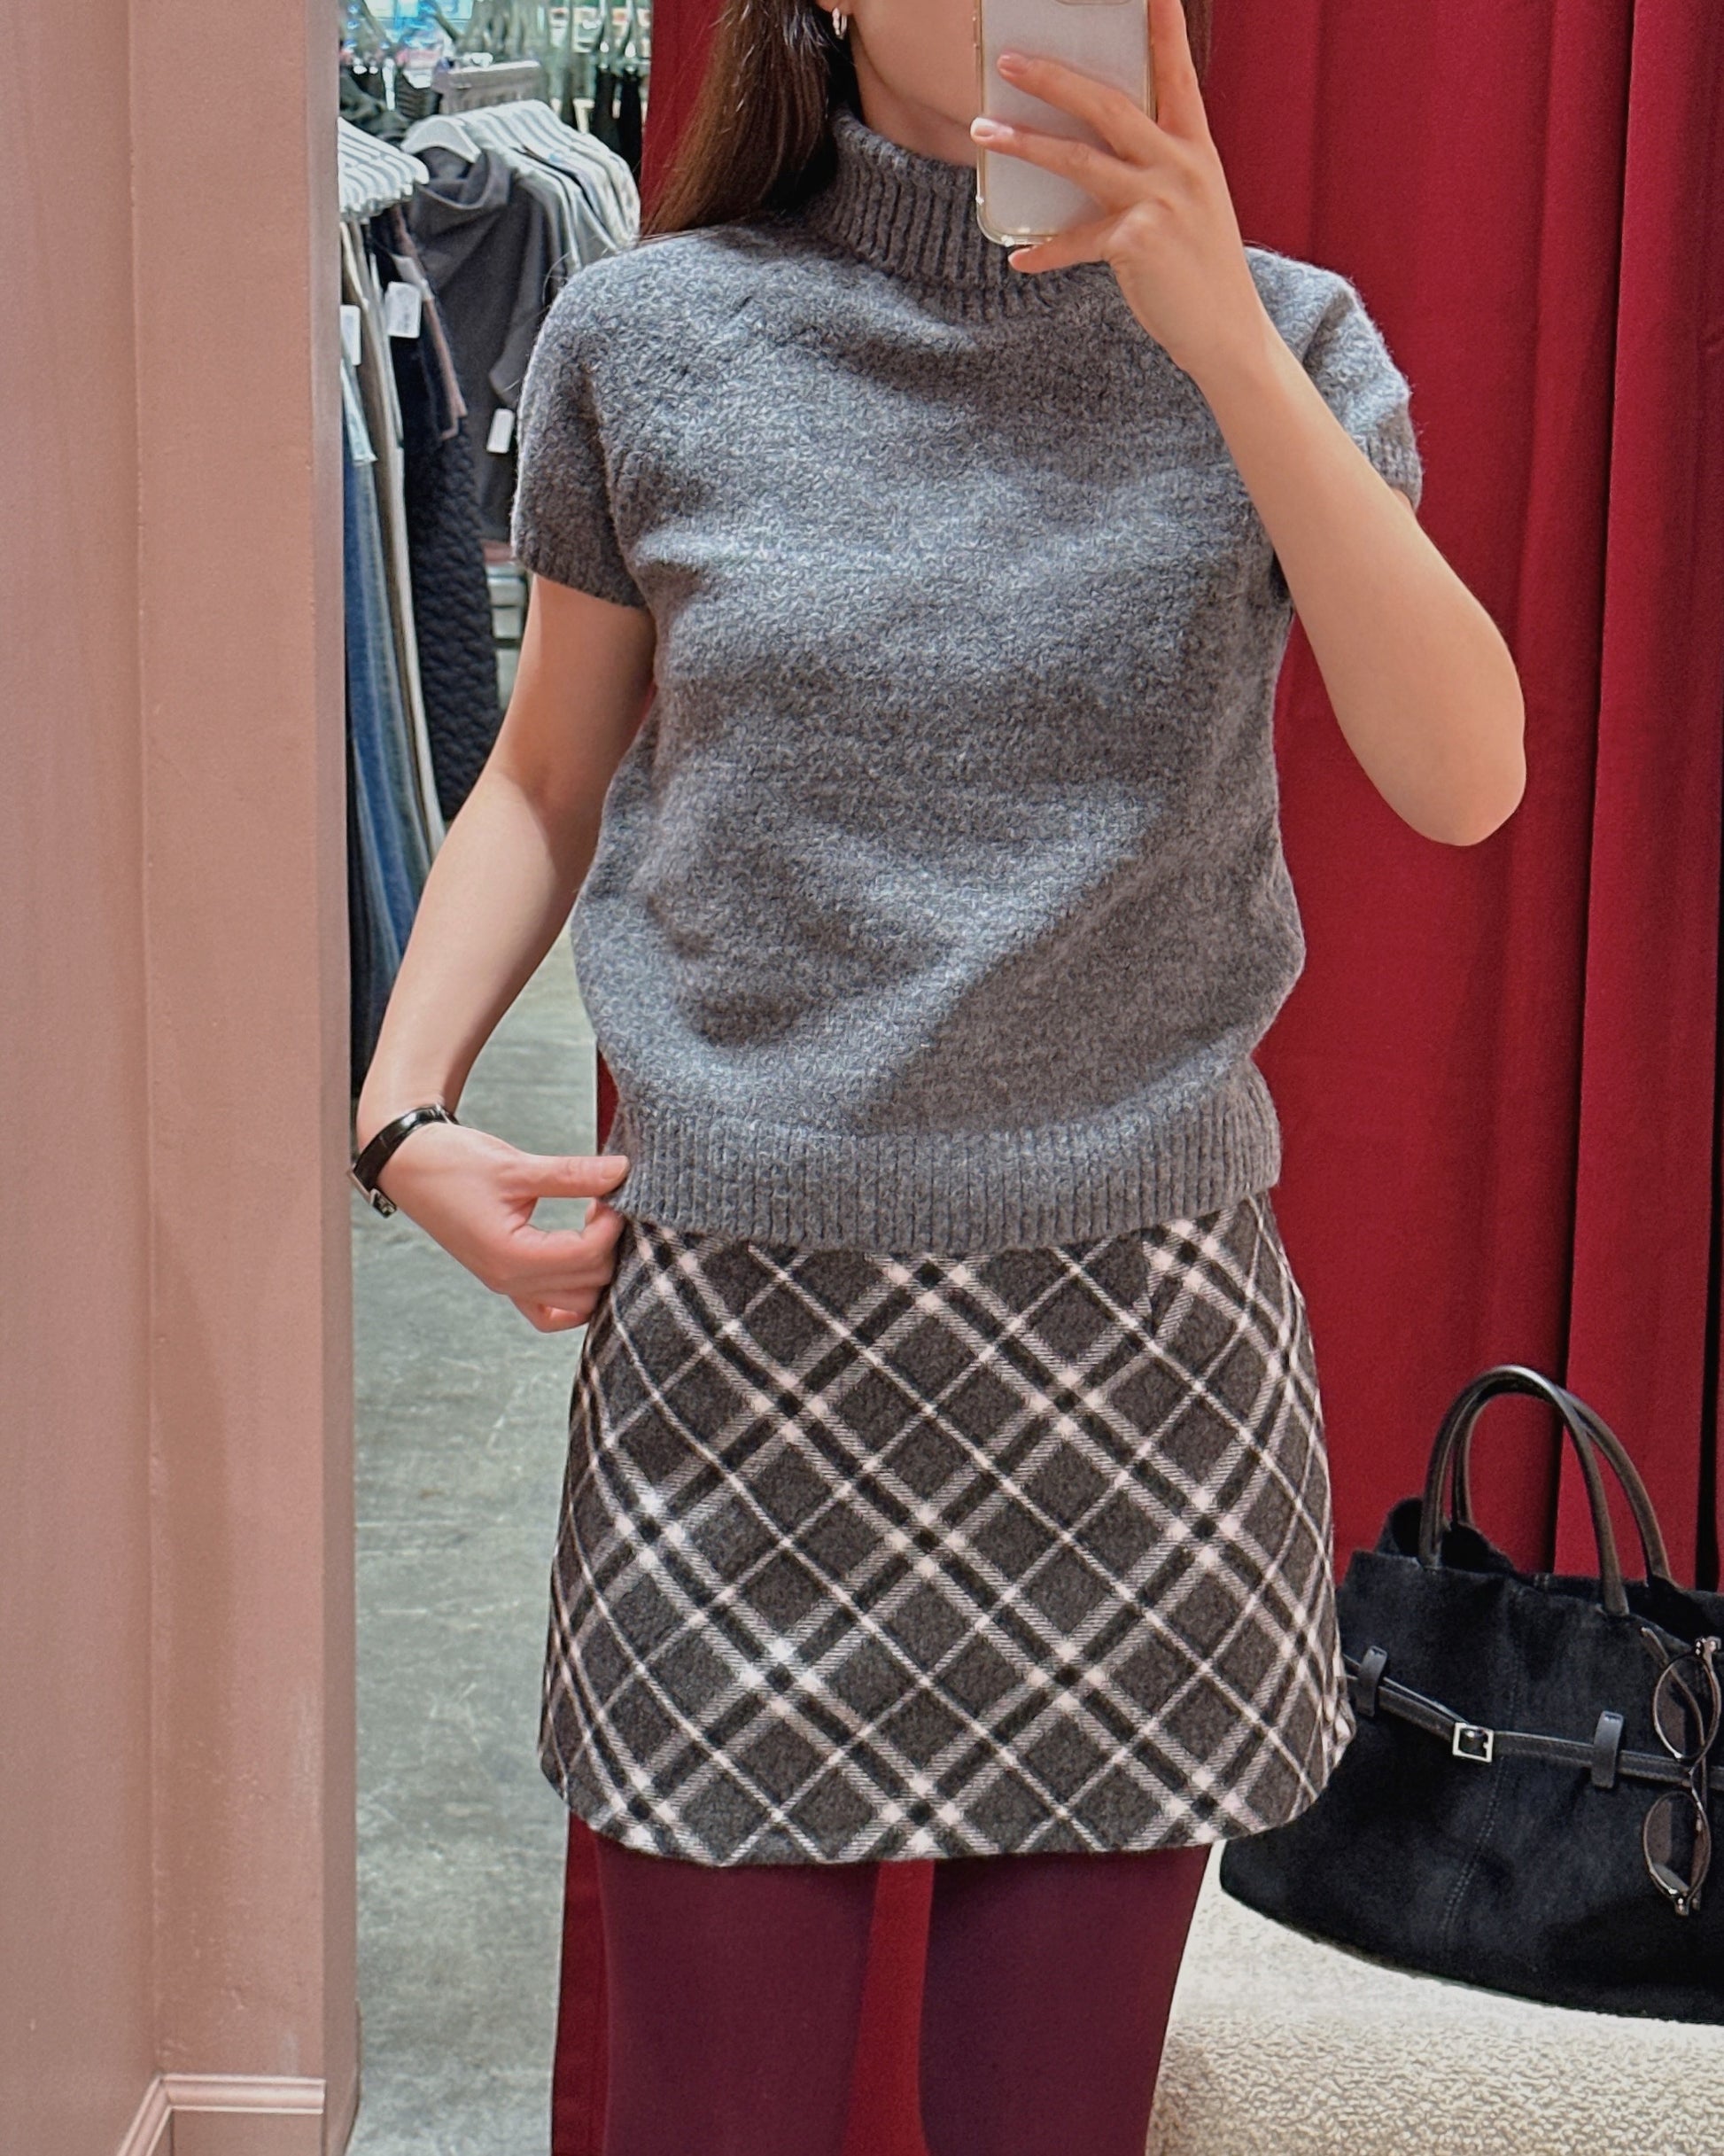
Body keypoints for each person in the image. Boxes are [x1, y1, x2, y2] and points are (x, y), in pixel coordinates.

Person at [348, 0, 1526, 2149]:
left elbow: (1462, 774)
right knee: (713, 2122)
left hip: (1134, 1369)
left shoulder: (1280, 338)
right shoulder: (652, 337)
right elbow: (543, 769)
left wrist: (1218, 337)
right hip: (744, 1353)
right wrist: (403, 1108)